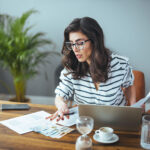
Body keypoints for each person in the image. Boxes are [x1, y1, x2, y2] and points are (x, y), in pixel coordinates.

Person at [46, 17, 136, 121]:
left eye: (80, 43)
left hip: (116, 121)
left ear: (95, 40)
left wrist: (134, 105)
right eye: (72, 43)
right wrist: (61, 105)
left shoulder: (120, 64)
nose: (75, 49)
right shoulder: (71, 67)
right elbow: (60, 95)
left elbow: (129, 84)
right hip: (86, 123)